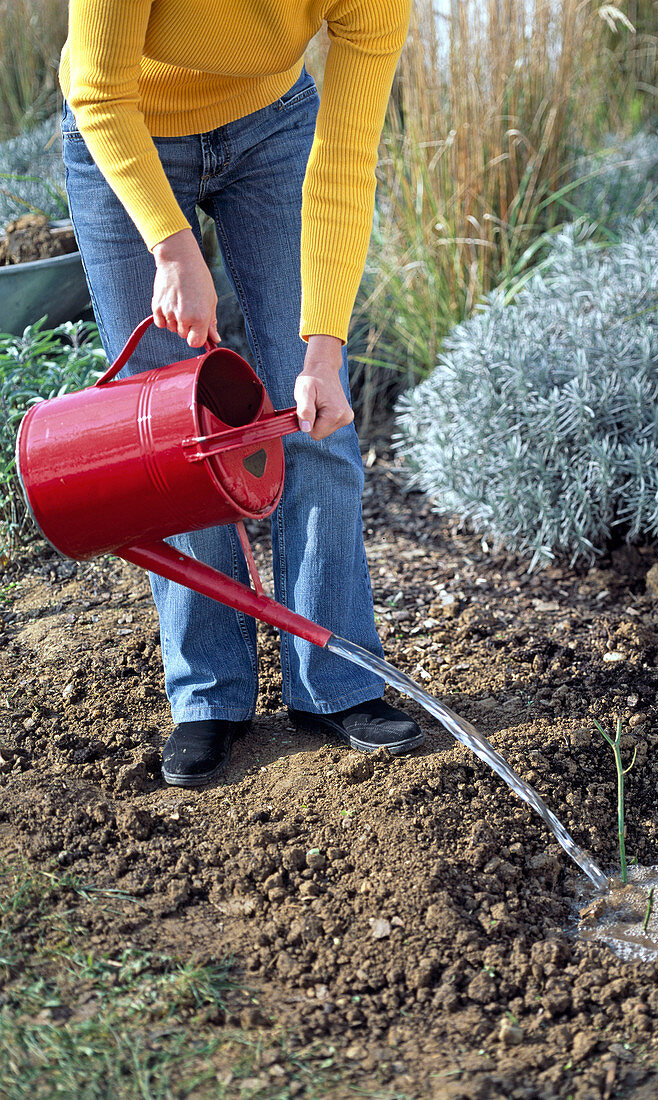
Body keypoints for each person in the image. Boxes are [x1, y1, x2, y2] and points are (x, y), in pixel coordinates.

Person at [59, 0, 424, 787]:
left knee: (317, 417)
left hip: (273, 128)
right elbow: (97, 90)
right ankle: (209, 697)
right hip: (125, 129)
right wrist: (171, 245)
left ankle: (337, 683)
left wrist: (322, 350)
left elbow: (347, 159)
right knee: (164, 438)